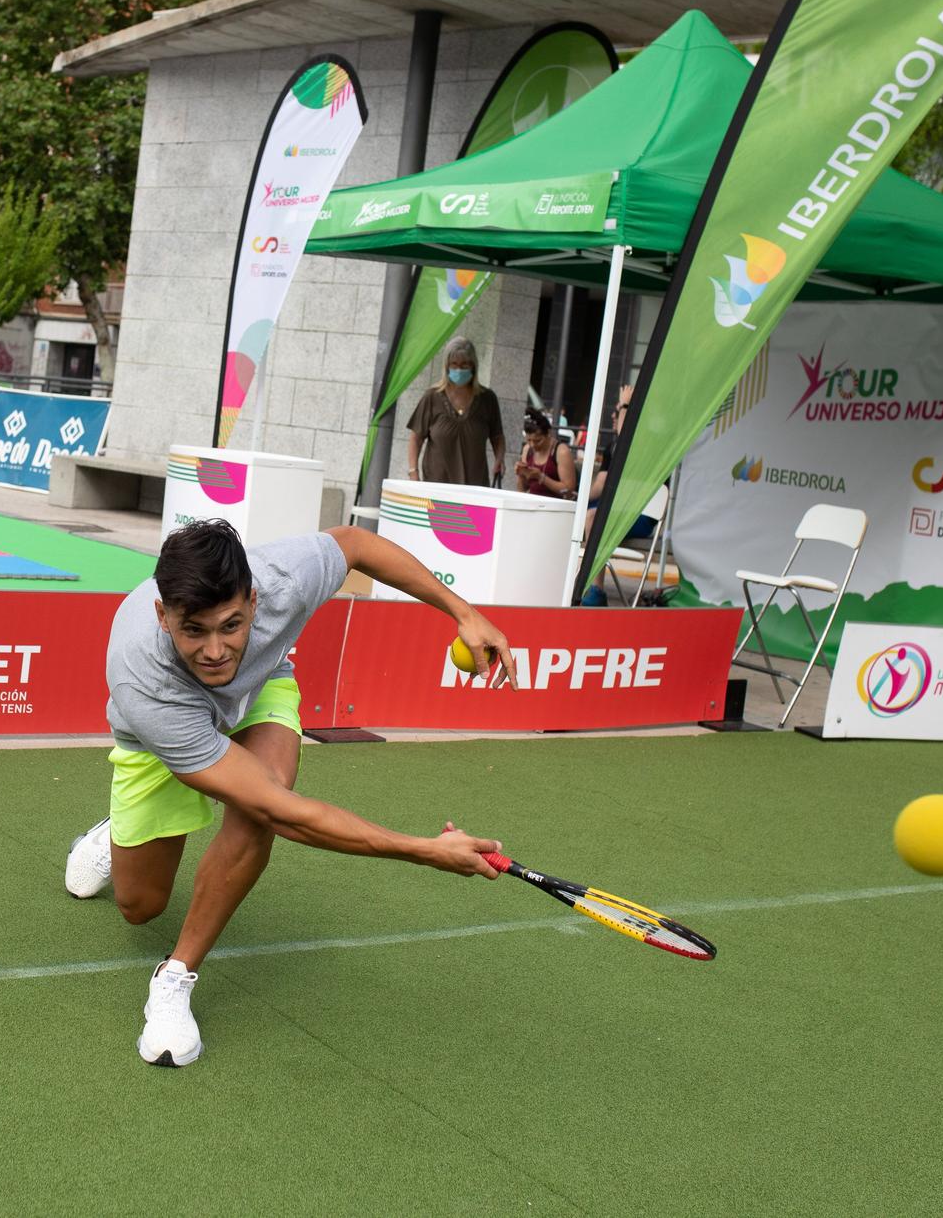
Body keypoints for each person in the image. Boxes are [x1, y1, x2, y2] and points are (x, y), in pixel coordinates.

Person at [63, 519, 518, 1067]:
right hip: (164, 726)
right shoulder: (143, 680)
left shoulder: (284, 577)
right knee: (141, 907)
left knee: (260, 807)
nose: (215, 650)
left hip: (258, 689)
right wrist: (425, 850)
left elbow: (356, 544)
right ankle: (116, 833)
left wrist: (462, 611)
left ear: (255, 600)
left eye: (232, 625)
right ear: (163, 616)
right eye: (194, 631)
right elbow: (291, 815)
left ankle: (176, 976)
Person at [406, 335, 506, 486]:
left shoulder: (488, 399)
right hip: (436, 487)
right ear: (446, 366)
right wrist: (413, 473)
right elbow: (416, 438)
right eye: (454, 364)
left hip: (475, 488)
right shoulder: (432, 397)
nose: (459, 369)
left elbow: (497, 436)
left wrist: (499, 459)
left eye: (465, 365)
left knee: (474, 511)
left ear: (473, 366)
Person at [514, 407, 577, 498]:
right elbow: (522, 489)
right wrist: (521, 474)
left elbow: (568, 490)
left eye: (538, 441)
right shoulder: (527, 450)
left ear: (548, 434)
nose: (532, 445)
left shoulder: (561, 452)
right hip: (532, 503)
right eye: (529, 440)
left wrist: (541, 477)